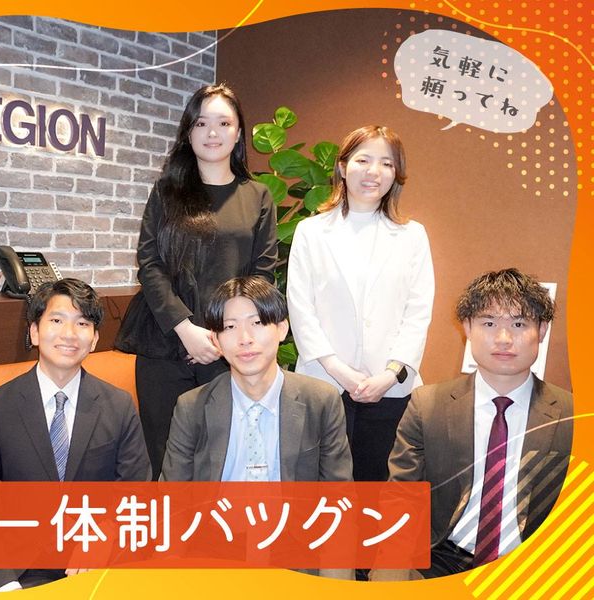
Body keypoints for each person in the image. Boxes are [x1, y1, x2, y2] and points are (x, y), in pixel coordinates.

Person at [116, 83, 277, 479]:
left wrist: (222, 335)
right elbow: (149, 263)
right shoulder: (166, 192)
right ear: (188, 132)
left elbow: (262, 275)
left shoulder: (257, 196)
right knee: (163, 454)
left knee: (219, 455)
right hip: (165, 342)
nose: (212, 132)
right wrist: (186, 328)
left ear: (238, 133)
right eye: (201, 123)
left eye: (223, 123)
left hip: (228, 347)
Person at [376, 268, 572, 579]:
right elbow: (400, 498)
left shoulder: (574, 415)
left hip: (535, 568)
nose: (504, 339)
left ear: (542, 329)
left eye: (519, 324)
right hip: (443, 560)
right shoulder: (428, 406)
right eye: (489, 323)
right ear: (467, 327)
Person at [0, 279, 151, 592]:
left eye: (82, 323)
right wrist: (4, 584)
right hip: (20, 571)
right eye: (57, 320)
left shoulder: (118, 405)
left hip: (97, 562)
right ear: (35, 331)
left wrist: (105, 536)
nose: (69, 334)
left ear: (94, 339)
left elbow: (136, 494)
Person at [286, 124, 434, 482]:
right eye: (363, 160)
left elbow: (418, 313)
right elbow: (300, 308)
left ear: (396, 174)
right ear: (342, 166)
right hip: (324, 382)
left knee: (378, 488)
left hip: (389, 388)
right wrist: (339, 370)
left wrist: (390, 374)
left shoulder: (412, 236)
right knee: (319, 489)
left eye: (386, 163)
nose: (374, 172)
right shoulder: (311, 232)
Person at [161, 276, 352, 484]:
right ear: (216, 340)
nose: (245, 339)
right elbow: (173, 495)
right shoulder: (191, 408)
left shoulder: (321, 401)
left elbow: (338, 492)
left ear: (282, 329)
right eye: (230, 327)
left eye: (257, 322)